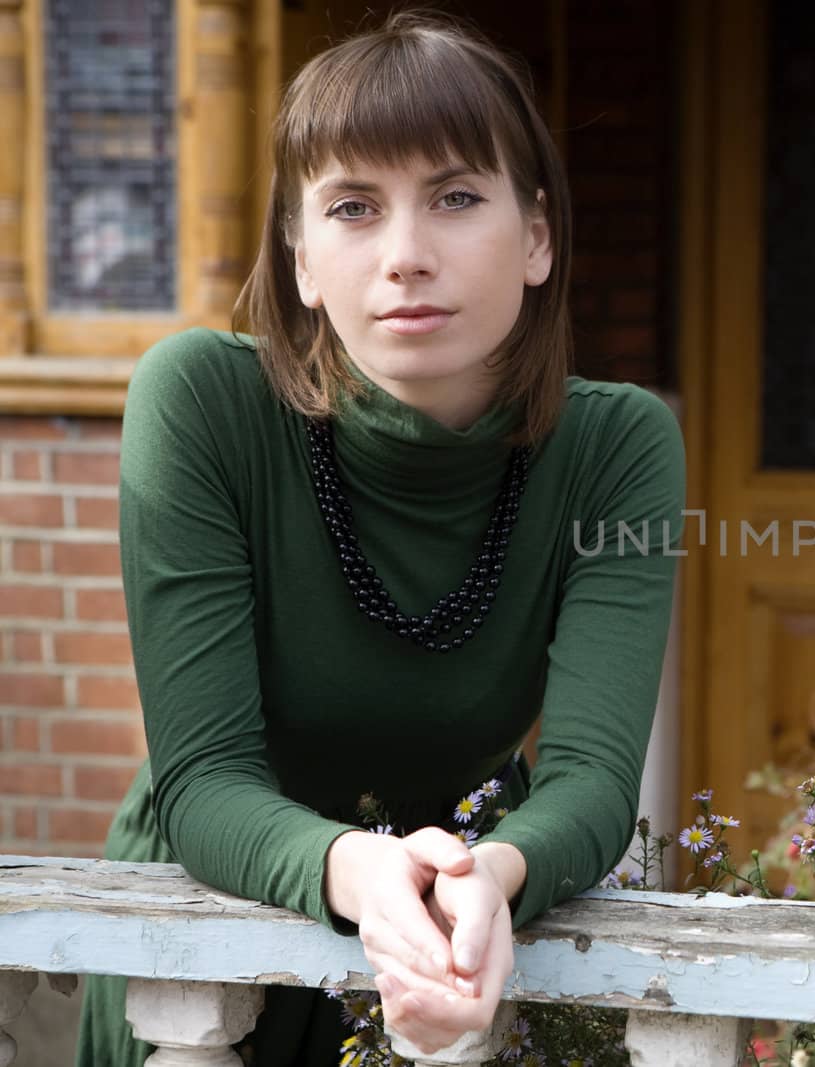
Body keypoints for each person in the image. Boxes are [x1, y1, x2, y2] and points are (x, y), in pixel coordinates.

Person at [76, 12, 685, 1065]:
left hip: (448, 948)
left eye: (455, 197)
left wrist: (485, 879)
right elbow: (205, 776)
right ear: (302, 259)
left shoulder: (616, 445)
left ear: (536, 236)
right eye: (353, 207)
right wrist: (365, 874)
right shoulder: (202, 403)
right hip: (202, 953)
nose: (406, 255)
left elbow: (590, 778)